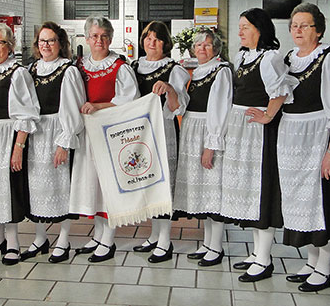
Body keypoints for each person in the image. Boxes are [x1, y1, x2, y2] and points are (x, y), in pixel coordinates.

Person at [277, 3, 330, 292]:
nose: (298, 30)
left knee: (325, 203)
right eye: (294, 26)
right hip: (293, 140)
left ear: (319, 30)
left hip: (320, 138)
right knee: (302, 204)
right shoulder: (288, 59)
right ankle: (311, 262)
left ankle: (325, 267)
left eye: (305, 25)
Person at [219, 8, 297, 282]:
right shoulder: (243, 56)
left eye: (245, 27)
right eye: (240, 26)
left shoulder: (270, 58)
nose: (240, 31)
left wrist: (268, 115)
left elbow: (281, 91)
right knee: (249, 191)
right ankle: (256, 253)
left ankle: (264, 259)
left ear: (260, 29)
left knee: (262, 191)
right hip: (242, 129)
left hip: (259, 133)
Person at [69, 17, 139, 263]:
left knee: (108, 185)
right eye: (94, 36)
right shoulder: (79, 65)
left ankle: (108, 240)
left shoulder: (120, 67)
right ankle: (98, 235)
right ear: (87, 39)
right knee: (93, 185)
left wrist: (99, 106)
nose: (99, 40)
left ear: (110, 39)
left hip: (111, 132)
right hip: (87, 132)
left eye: (104, 36)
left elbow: (130, 100)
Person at [0, 22, 40, 265]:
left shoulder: (17, 73)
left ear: (10, 46)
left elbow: (27, 113)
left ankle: (13, 242)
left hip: (7, 135)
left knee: (8, 188)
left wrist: (18, 148)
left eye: (1, 42)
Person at [22, 22, 86, 263]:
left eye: (51, 41)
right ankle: (40, 238)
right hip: (35, 134)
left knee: (61, 187)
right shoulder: (31, 70)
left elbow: (73, 108)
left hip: (57, 131)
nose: (46, 45)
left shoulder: (68, 70)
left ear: (61, 44)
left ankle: (64, 239)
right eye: (42, 40)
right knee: (37, 187)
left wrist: (64, 142)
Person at [131, 21, 190, 263]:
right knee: (148, 183)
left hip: (163, 131)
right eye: (148, 37)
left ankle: (165, 240)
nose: (151, 42)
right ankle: (154, 235)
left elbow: (177, 108)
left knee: (162, 183)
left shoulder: (174, 70)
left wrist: (169, 89)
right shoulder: (135, 66)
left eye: (157, 39)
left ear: (165, 43)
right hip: (140, 132)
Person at [173, 28, 233, 267]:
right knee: (203, 195)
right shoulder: (198, 71)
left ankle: (216, 247)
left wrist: (211, 145)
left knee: (213, 191)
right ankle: (208, 243)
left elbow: (220, 109)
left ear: (215, 49)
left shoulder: (221, 71)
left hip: (208, 131)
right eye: (198, 45)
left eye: (207, 45)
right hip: (192, 130)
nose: (202, 49)